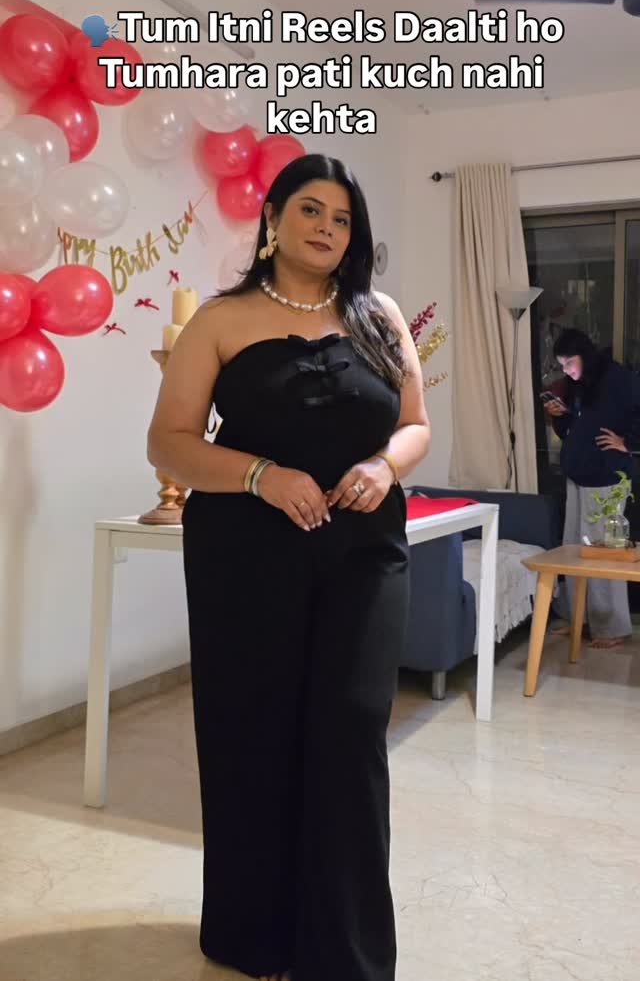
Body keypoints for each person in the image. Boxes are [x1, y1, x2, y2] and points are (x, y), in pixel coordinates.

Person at [147, 153, 431, 981]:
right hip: (246, 554)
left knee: (351, 729)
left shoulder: (379, 316)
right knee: (253, 729)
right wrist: (260, 476)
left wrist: (385, 466)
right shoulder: (222, 320)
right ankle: (254, 935)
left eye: (342, 219)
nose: (326, 229)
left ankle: (345, 951)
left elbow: (415, 423)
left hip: (364, 552)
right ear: (272, 218)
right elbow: (168, 442)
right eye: (310, 210)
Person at [545, 328, 640, 648]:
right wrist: (560, 417)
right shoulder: (579, 384)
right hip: (578, 475)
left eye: (570, 362)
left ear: (584, 355)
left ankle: (612, 627)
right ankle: (578, 619)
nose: (567, 370)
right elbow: (577, 428)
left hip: (607, 477)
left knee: (603, 553)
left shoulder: (617, 379)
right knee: (573, 549)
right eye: (562, 365)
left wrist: (628, 443)